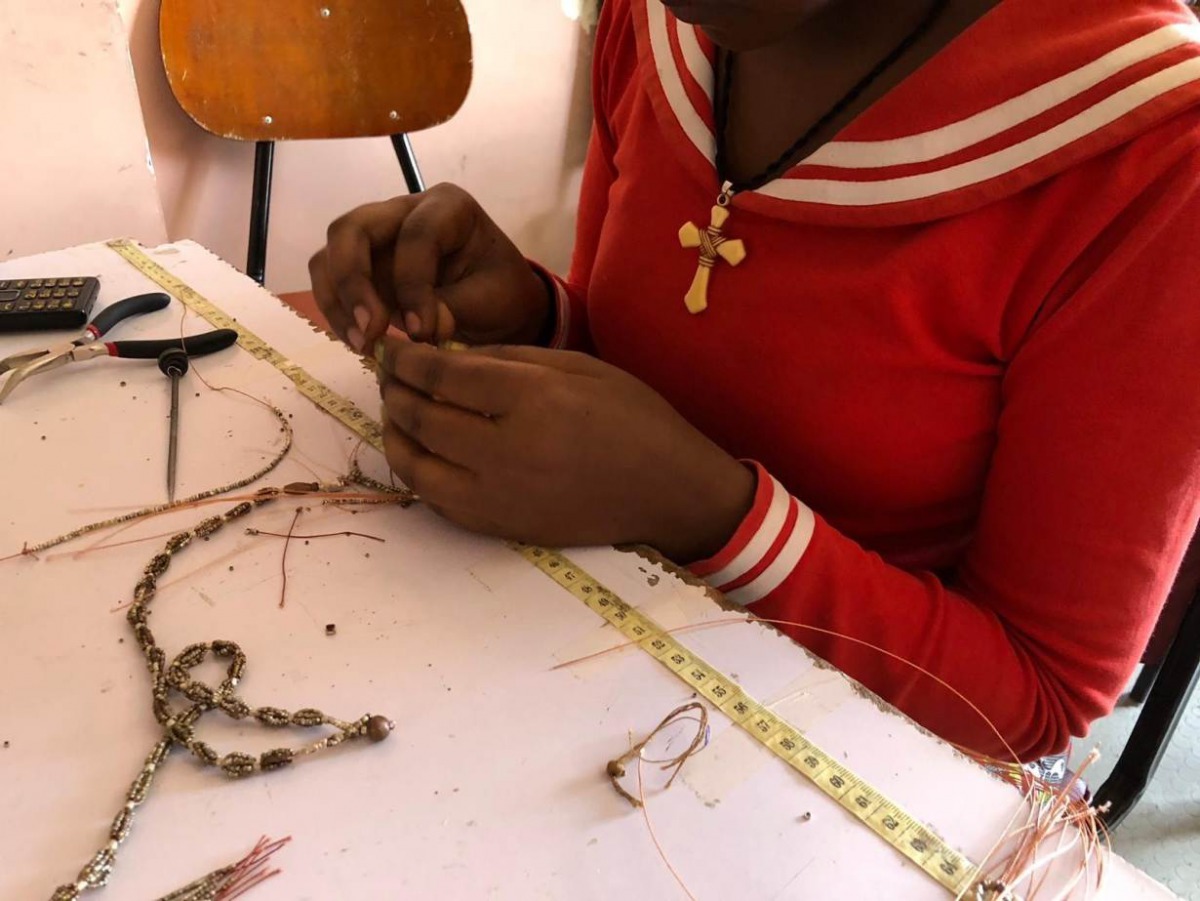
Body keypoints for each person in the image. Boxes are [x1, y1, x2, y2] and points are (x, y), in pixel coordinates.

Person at [309, 0, 1200, 763]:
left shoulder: (1152, 155)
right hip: (579, 675)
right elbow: (670, 364)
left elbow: (1035, 700)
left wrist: (704, 509)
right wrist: (543, 322)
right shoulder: (662, 24)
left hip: (861, 770)